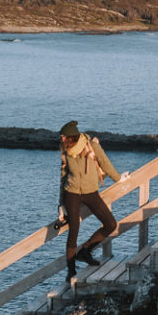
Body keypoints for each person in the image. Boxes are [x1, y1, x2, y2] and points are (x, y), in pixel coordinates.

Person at [57, 120, 121, 281]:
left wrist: (118, 179)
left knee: (111, 224)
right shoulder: (65, 151)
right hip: (71, 193)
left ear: (72, 137)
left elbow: (105, 164)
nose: (62, 140)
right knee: (73, 231)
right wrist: (61, 204)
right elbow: (63, 177)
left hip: (91, 192)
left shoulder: (91, 146)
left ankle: (85, 251)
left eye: (64, 137)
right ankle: (71, 272)